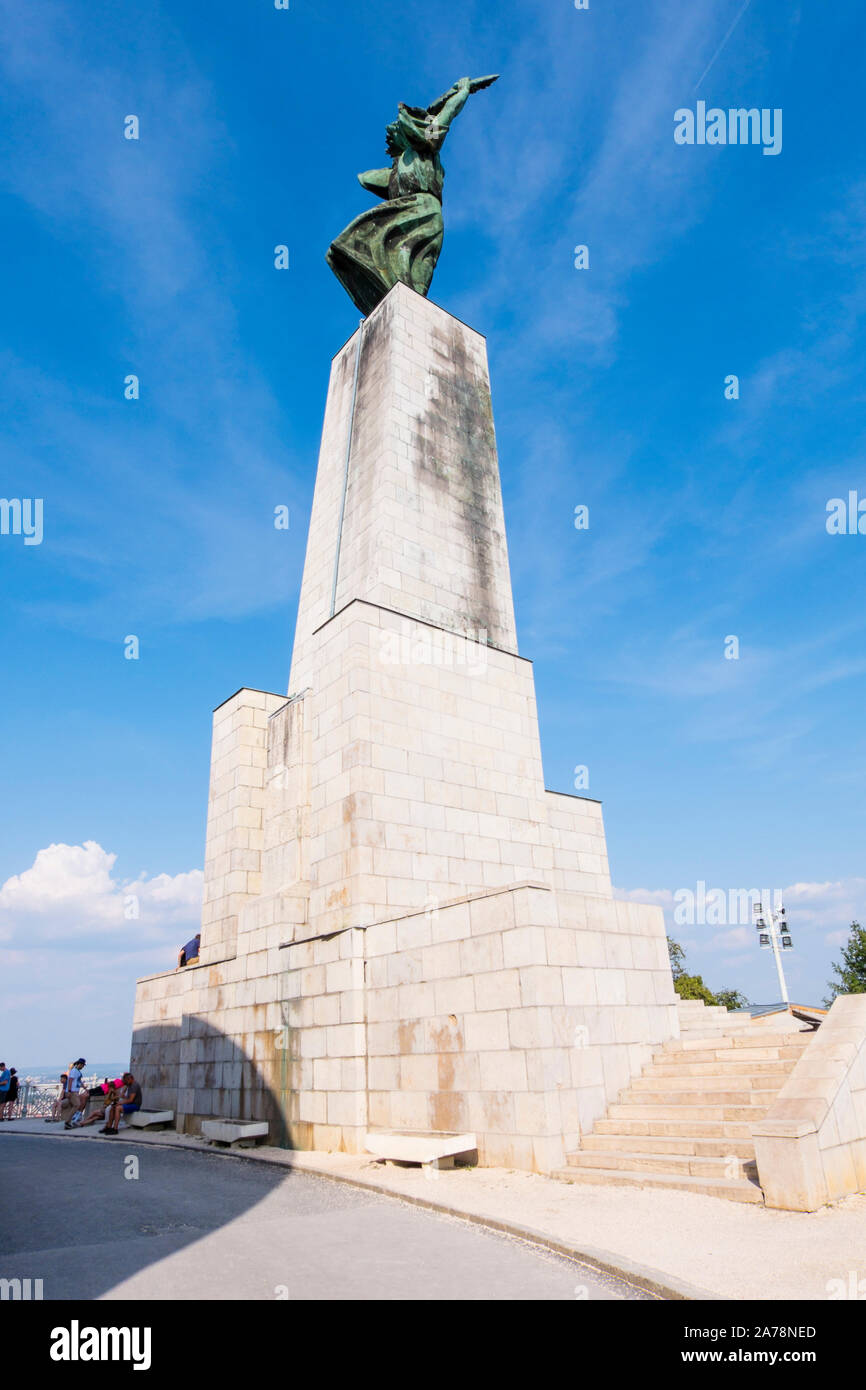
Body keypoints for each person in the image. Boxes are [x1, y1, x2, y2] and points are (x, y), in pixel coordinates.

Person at [63, 1057, 89, 1129]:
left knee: (75, 1105)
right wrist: (69, 1091)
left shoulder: (77, 1072)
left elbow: (78, 1081)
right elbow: (70, 1080)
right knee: (77, 1105)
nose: (83, 1067)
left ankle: (69, 1121)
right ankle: (68, 1121)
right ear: (80, 1064)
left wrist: (84, 1087)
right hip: (72, 1091)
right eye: (83, 1065)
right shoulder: (74, 1071)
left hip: (74, 1091)